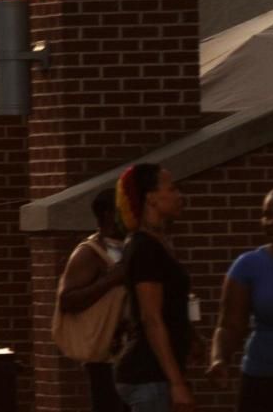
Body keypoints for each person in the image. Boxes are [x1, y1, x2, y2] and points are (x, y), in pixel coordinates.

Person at [210, 185, 273, 411]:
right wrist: (219, 359)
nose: (272, 222)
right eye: (267, 215)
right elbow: (229, 326)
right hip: (263, 381)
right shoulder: (249, 266)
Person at [113, 163, 195, 412]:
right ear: (151, 198)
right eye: (171, 189)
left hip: (155, 376)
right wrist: (177, 383)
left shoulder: (158, 243)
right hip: (148, 376)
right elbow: (151, 318)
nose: (179, 195)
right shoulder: (144, 248)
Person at [56, 189, 131, 412]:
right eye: (124, 210)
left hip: (134, 350)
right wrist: (110, 280)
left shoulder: (132, 245)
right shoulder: (89, 253)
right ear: (109, 214)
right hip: (106, 355)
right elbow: (67, 300)